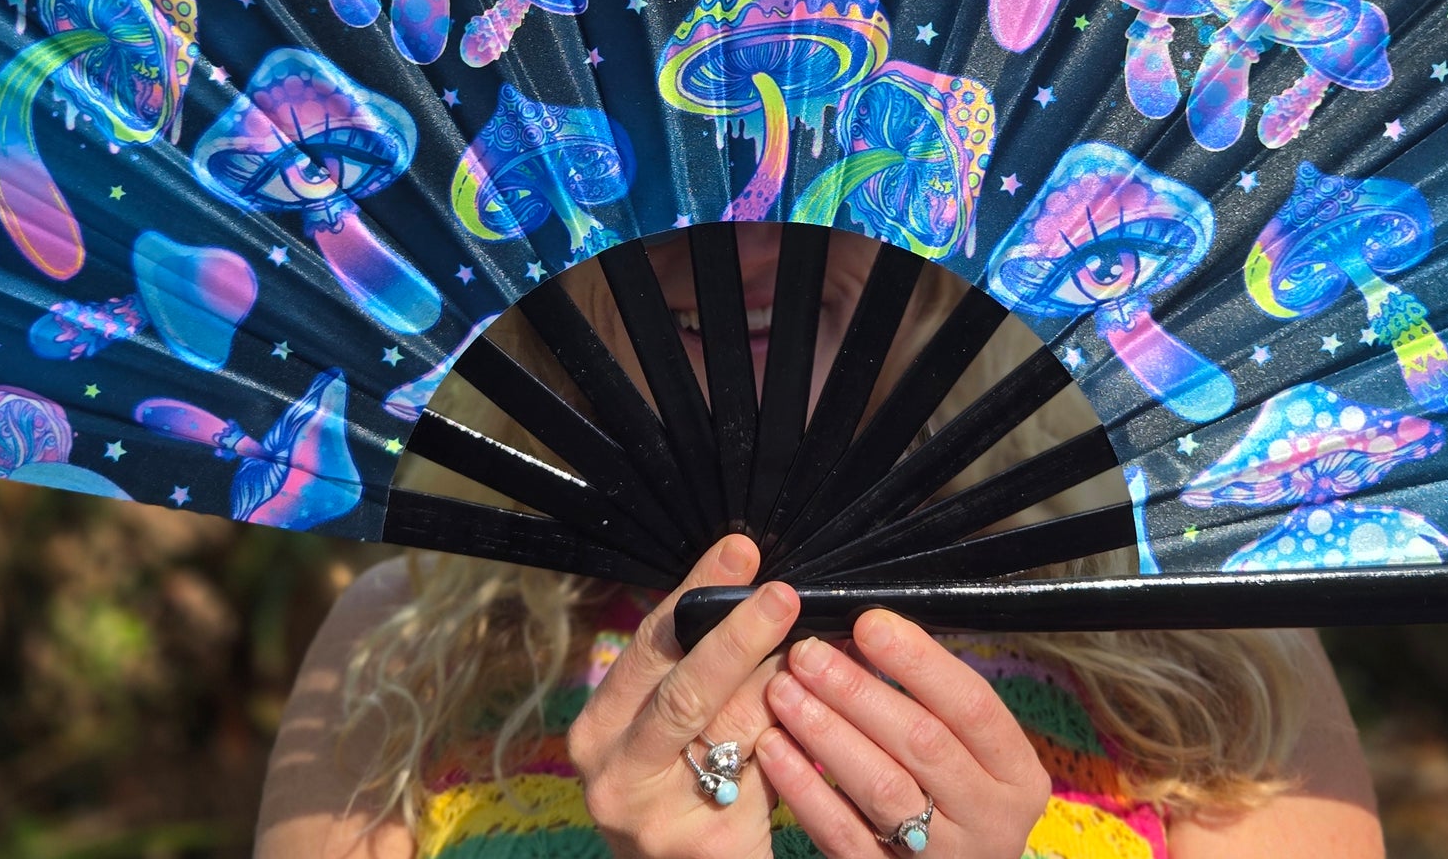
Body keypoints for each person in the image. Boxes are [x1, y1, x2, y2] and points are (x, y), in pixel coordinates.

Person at [255, 225, 1384, 859]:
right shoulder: (410, 653)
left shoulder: (1203, 647)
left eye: (813, 178)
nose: (746, 243)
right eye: (670, 185)